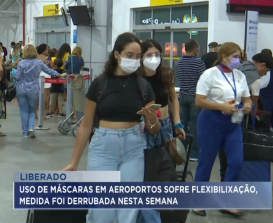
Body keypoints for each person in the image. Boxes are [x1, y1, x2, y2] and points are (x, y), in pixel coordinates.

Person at [62, 32, 161, 223]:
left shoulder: (143, 86)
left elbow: (154, 130)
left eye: (137, 56)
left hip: (134, 147)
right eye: (129, 55)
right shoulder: (100, 84)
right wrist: (74, 162)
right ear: (117, 55)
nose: (134, 60)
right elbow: (86, 125)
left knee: (128, 209)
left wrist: (151, 120)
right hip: (103, 147)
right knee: (101, 210)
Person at [193, 42, 252, 218]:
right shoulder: (209, 74)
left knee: (236, 161)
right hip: (211, 121)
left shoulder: (240, 76)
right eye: (234, 57)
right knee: (206, 161)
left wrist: (248, 105)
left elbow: (247, 98)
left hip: (233, 123)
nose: (237, 60)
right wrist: (220, 106)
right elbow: (199, 101)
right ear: (224, 56)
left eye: (239, 57)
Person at [136, 39, 185, 223]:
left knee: (163, 169)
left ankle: (158, 211)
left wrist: (177, 123)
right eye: (149, 55)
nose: (153, 58)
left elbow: (173, 99)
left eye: (157, 54)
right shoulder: (136, 77)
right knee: (146, 170)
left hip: (164, 125)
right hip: (142, 126)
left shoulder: (166, 74)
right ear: (141, 57)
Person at [219, 52, 273, 182]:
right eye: (266, 71)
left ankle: (223, 178)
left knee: (223, 151)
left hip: (221, 112)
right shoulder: (255, 78)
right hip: (237, 117)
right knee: (235, 151)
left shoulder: (239, 68)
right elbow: (253, 104)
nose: (264, 74)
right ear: (262, 65)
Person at [13, 44, 66, 138]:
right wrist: (60, 75)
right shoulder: (39, 62)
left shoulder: (21, 63)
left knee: (24, 111)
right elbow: (50, 71)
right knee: (32, 110)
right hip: (33, 89)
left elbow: (17, 77)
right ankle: (31, 128)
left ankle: (25, 133)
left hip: (21, 89)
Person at [177, 39, 206, 161]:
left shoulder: (179, 62)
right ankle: (193, 154)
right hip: (195, 97)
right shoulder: (199, 63)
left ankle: (180, 152)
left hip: (182, 96)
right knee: (195, 125)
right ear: (195, 50)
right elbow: (204, 79)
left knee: (182, 124)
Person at [36, 44, 52, 117]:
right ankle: (43, 114)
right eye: (46, 49)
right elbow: (51, 67)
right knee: (45, 96)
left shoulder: (36, 57)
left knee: (37, 96)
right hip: (46, 75)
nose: (48, 50)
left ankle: (35, 113)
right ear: (43, 50)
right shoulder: (47, 57)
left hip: (37, 76)